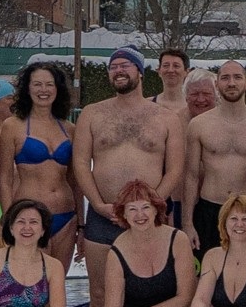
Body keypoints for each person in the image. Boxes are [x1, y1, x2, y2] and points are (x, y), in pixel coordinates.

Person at [75, 49, 181, 258]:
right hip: (104, 214)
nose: (118, 71)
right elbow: (80, 163)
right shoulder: (92, 113)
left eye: (125, 66)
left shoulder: (167, 119)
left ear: (140, 71)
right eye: (113, 67)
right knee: (99, 290)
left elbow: (175, 169)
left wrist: (151, 205)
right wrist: (97, 204)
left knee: (148, 288)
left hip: (148, 217)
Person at [0, 62, 80, 255]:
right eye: (37, 84)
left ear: (58, 88)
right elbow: (5, 180)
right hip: (28, 218)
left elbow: (75, 181)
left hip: (66, 217)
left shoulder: (69, 129)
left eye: (49, 84)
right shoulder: (13, 126)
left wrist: (81, 224)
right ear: (27, 88)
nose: (44, 90)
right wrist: (9, 220)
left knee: (58, 281)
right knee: (32, 282)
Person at [190, 61, 246, 242]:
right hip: (209, 210)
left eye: (237, 77)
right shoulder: (199, 125)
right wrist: (187, 224)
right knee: (209, 269)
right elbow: (190, 177)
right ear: (216, 84)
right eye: (225, 78)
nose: (231, 83)